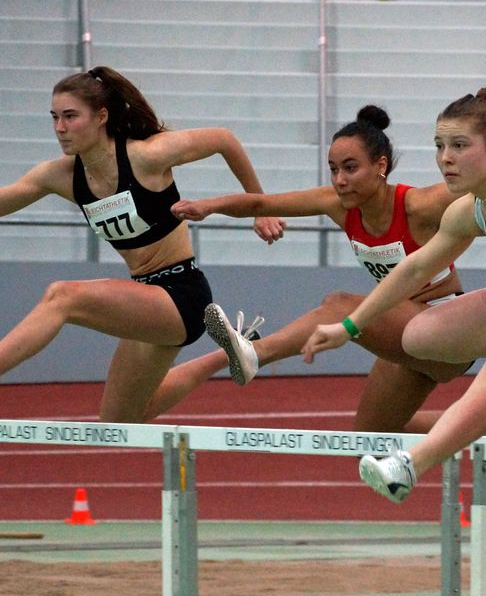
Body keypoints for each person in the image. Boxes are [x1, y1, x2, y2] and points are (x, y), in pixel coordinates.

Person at [300, 58, 486, 504]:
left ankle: (409, 466)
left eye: (459, 146)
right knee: (421, 335)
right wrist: (348, 327)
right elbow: (414, 269)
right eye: (440, 145)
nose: (445, 158)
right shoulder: (471, 209)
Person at [145, 105, 486, 438]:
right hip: (404, 334)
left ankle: (254, 353)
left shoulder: (421, 205)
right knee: (370, 438)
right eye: (334, 169)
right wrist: (209, 206)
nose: (340, 180)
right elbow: (262, 201)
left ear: (381, 167)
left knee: (340, 304)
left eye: (351, 168)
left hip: (449, 335)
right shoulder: (338, 204)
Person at [0, 65, 284, 422]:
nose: (60, 128)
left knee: (63, 296)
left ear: (101, 116)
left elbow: (224, 139)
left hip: (182, 294)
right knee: (119, 421)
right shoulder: (60, 176)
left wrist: (262, 208)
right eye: (54, 117)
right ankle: (232, 351)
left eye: (70, 117)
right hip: (146, 302)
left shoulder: (146, 156)